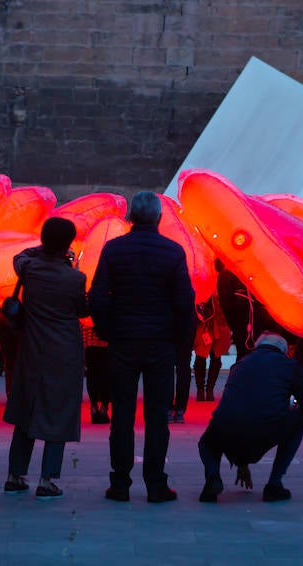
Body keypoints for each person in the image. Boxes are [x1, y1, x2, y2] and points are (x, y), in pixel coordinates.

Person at [88, 191, 195, 503]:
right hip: (160, 343)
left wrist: (107, 329)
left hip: (123, 341)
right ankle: (156, 483)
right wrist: (178, 337)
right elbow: (184, 301)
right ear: (159, 217)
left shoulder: (113, 250)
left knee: (121, 414)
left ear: (130, 217)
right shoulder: (173, 252)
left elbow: (97, 296)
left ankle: (120, 483)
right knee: (157, 417)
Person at [3, 218, 88, 499]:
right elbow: (81, 309)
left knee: (27, 411)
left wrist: (42, 250)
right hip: (64, 351)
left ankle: (15, 474)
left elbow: (20, 256)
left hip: (32, 347)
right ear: (68, 243)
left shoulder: (28, 268)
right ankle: (47, 478)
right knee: (58, 412)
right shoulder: (75, 278)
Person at [197, 332, 303, 503]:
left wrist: (241, 461)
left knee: (207, 442)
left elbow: (242, 407)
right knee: (297, 422)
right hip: (266, 429)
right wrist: (294, 403)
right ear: (284, 350)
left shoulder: (240, 364)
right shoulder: (288, 366)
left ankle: (212, 477)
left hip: (226, 427)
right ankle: (274, 484)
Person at [192, 292, 232, 402]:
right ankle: (206, 390)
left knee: (210, 357)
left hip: (211, 324)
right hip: (209, 324)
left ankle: (205, 390)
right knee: (208, 357)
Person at [83, 323, 111, 424]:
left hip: (90, 339)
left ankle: (94, 408)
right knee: (106, 376)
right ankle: (104, 408)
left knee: (91, 375)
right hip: (106, 338)